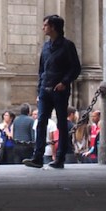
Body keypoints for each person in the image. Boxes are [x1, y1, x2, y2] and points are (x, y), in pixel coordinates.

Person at [23, 14, 81, 170]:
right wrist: (39, 89)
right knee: (41, 121)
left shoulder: (68, 46)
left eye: (45, 25)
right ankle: (37, 157)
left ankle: (60, 158)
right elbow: (41, 70)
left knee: (62, 123)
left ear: (53, 27)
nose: (43, 28)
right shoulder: (45, 46)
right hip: (45, 90)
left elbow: (75, 68)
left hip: (59, 91)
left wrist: (64, 82)